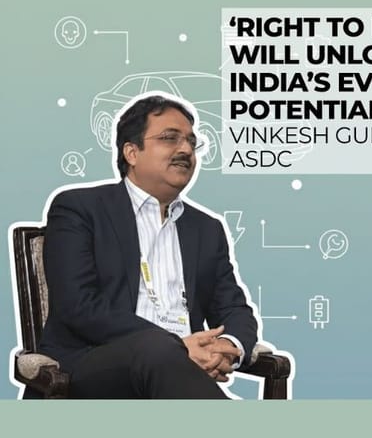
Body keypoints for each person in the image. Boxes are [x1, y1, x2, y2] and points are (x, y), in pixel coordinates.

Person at [37, 94, 258, 398]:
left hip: (178, 372)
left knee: (163, 357)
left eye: (191, 142)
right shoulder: (80, 208)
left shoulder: (207, 229)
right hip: (96, 363)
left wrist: (226, 347)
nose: (185, 149)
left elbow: (233, 307)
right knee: (156, 348)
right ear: (131, 152)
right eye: (170, 138)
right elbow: (79, 306)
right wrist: (177, 346)